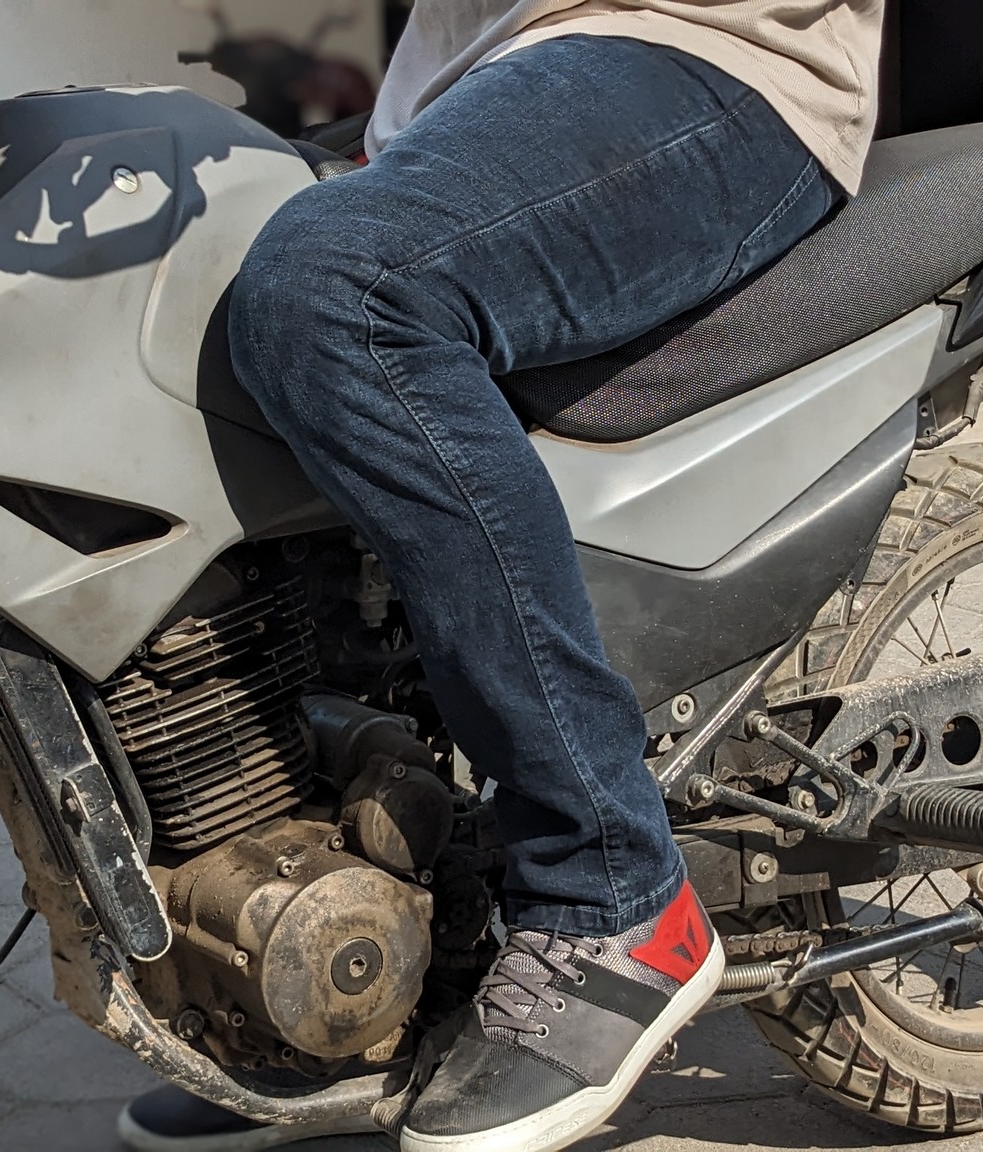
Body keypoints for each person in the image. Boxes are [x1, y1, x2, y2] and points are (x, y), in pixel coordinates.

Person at [121, 1, 882, 1149]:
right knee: (150, 302)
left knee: (337, 294)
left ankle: (612, 889)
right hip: (464, 80)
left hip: (707, 46)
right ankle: (397, 936)